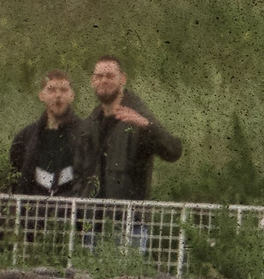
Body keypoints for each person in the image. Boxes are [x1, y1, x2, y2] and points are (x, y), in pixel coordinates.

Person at [86, 56, 183, 202]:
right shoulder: (93, 120)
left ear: (123, 79)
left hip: (130, 213)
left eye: (110, 76)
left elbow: (174, 151)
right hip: (94, 213)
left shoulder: (138, 117)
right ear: (93, 81)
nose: (104, 81)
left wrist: (147, 127)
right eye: (99, 76)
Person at [9, 71, 94, 200]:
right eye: (51, 90)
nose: (58, 95)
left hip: (73, 209)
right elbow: (16, 183)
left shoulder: (86, 134)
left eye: (64, 90)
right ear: (41, 95)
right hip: (33, 210)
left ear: (72, 95)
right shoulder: (25, 137)